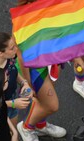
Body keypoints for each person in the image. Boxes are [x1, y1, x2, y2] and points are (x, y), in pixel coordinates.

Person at [14, 0, 67, 140]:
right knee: (52, 105)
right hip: (34, 70)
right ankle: (26, 128)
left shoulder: (50, 9)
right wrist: (27, 82)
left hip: (51, 63)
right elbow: (21, 56)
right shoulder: (23, 20)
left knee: (43, 101)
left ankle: (40, 125)